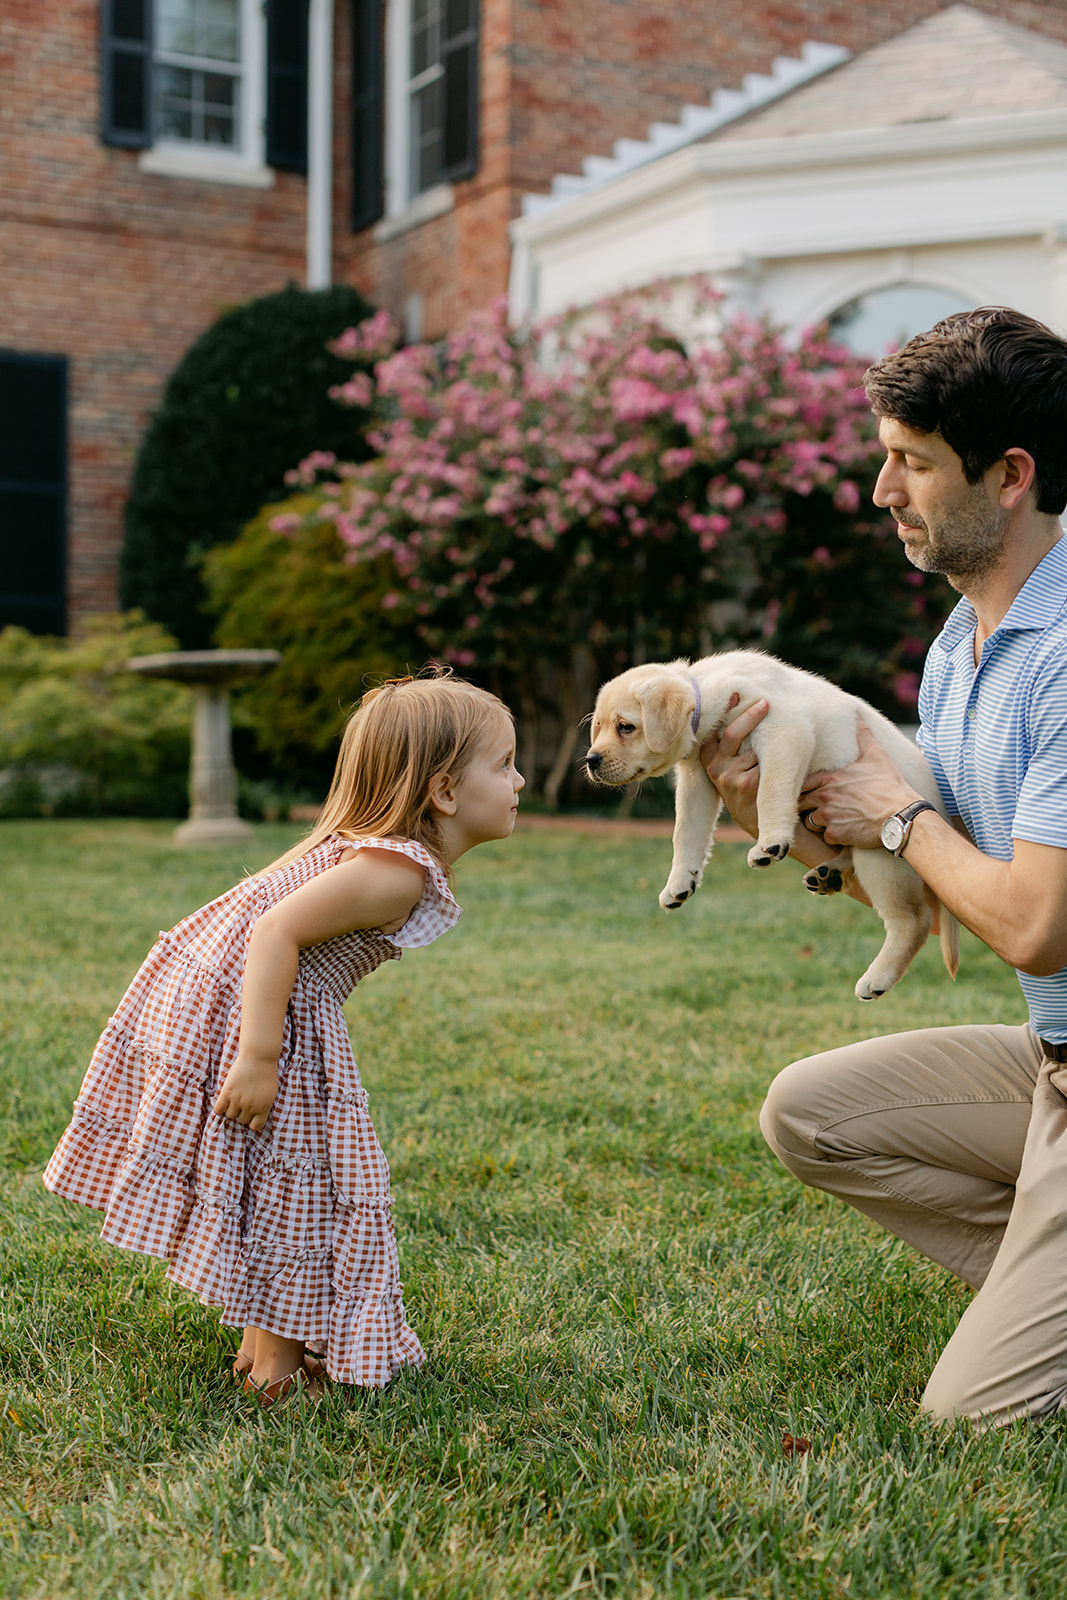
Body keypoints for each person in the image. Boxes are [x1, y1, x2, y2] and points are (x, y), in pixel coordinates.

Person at [702, 306, 1067, 1425]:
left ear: (1008, 476)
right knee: (811, 1112)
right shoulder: (954, 653)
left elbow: (1034, 928)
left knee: (962, 1419)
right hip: (1049, 1065)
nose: (879, 489)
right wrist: (797, 828)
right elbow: (927, 880)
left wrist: (902, 818)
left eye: (909, 461)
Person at [44, 672, 524, 1407]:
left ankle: (264, 1342)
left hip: (251, 999)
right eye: (505, 764)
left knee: (280, 1175)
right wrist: (259, 1057)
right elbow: (276, 931)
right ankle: (275, 1364)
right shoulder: (392, 873)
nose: (520, 780)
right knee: (296, 1179)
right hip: (255, 1011)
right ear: (444, 792)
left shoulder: (388, 858)